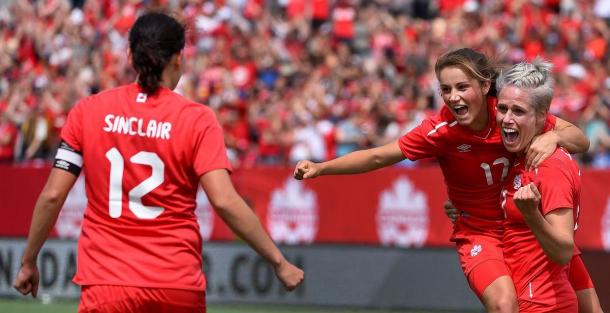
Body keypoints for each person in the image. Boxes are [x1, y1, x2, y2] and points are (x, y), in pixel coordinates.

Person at [13, 12, 304, 313]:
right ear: (179, 57)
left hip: (107, 284)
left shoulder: (88, 111)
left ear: (129, 54)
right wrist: (278, 262)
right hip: (176, 284)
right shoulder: (197, 120)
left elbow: (53, 194)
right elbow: (225, 201)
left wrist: (28, 261)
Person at [294, 48, 591, 313]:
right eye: (446, 89)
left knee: (589, 305)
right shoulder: (440, 131)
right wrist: (322, 168)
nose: (453, 97)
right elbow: (378, 157)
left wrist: (554, 135)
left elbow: (580, 139)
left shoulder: (507, 113)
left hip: (522, 227)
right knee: (504, 304)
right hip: (480, 232)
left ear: (485, 86)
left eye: (462, 87)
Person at [495, 59, 589, 312]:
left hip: (545, 304)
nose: (506, 119)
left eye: (518, 111)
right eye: (502, 108)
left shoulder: (550, 165)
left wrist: (531, 214)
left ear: (541, 116)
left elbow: (563, 251)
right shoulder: (522, 154)